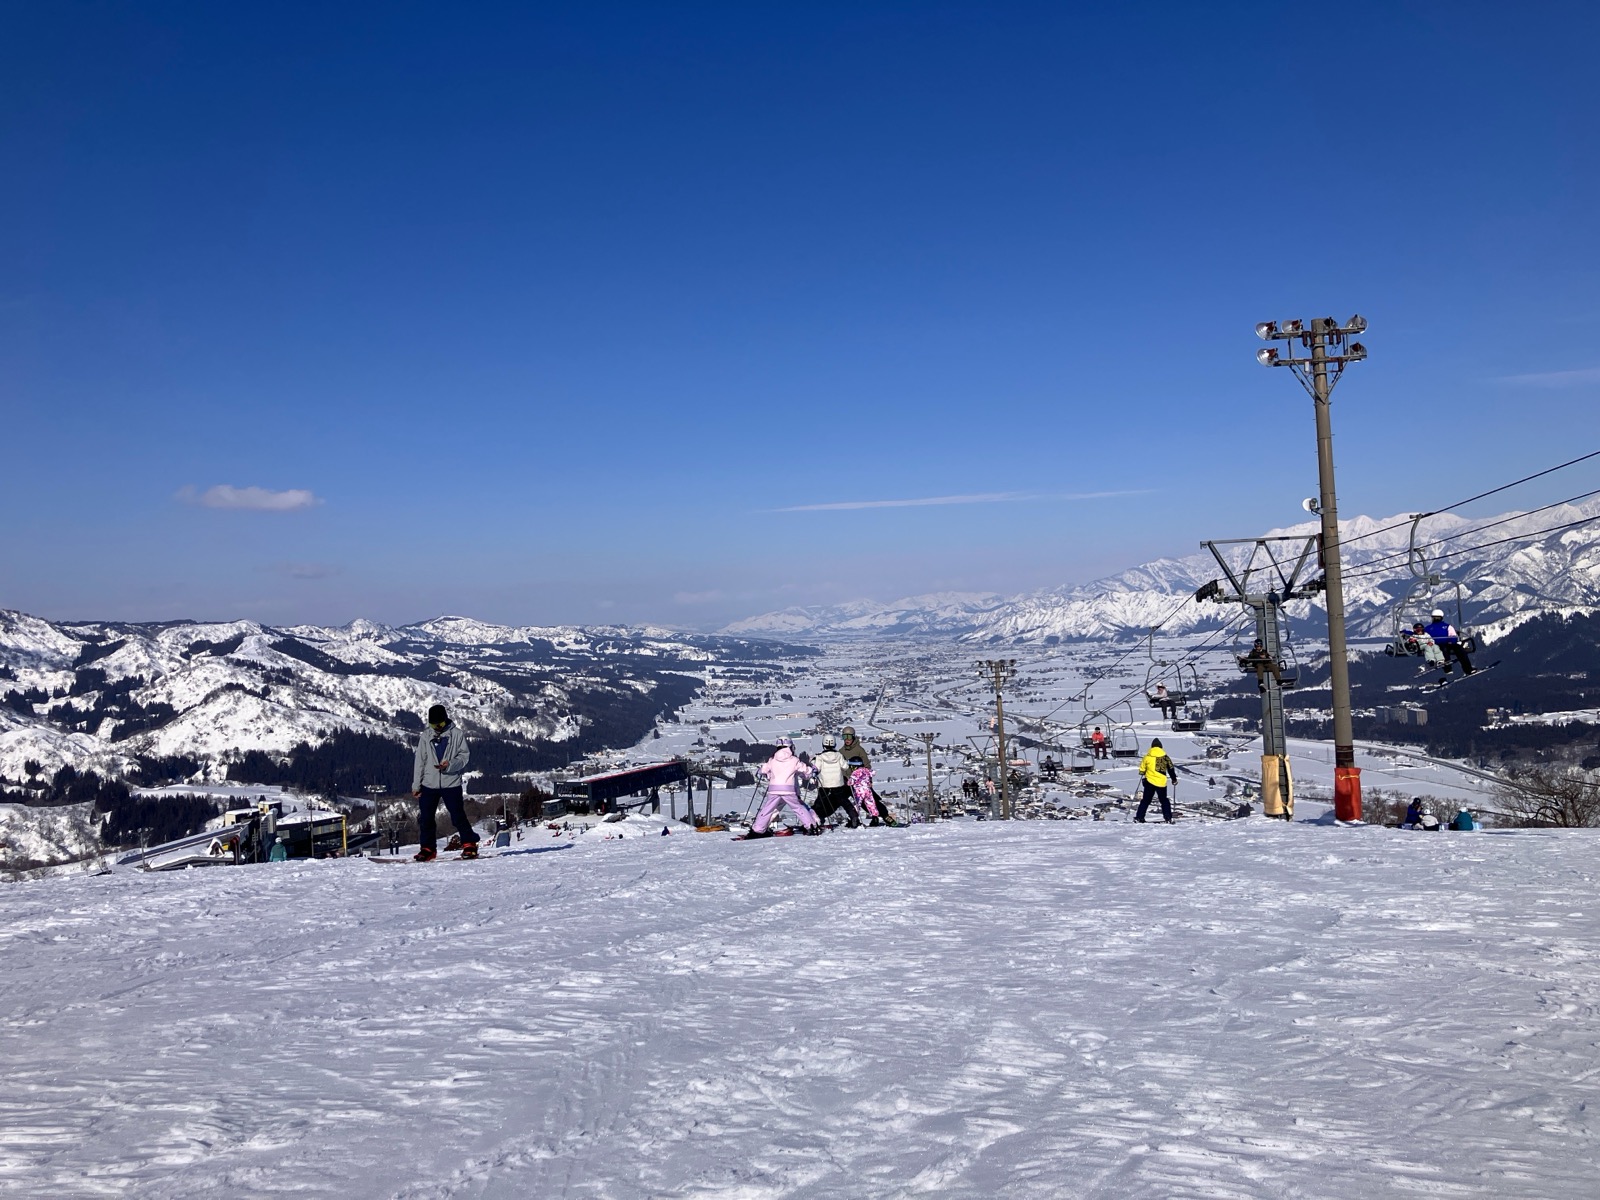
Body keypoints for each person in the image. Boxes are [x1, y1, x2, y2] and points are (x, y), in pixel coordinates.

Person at [412, 703, 477, 861]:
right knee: (426, 818)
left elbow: (464, 757)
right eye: (433, 725)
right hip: (429, 784)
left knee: (457, 816)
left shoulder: (456, 734)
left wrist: (450, 765)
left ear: (445, 720)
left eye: (440, 724)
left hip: (451, 783)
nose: (437, 728)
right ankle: (428, 849)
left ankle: (469, 844)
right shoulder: (426, 736)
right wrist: (416, 784)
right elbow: (419, 761)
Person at [748, 738, 820, 837]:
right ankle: (811, 827)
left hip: (774, 789)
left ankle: (758, 830)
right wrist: (813, 770)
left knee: (767, 809)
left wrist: (760, 771)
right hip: (788, 789)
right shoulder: (794, 760)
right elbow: (805, 770)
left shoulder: (772, 760)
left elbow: (764, 770)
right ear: (791, 747)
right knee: (798, 808)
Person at [811, 734, 861, 827]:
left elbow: (816, 768)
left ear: (823, 744)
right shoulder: (839, 755)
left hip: (824, 784)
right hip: (838, 783)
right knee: (844, 801)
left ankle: (815, 818)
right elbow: (845, 767)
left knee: (819, 802)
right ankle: (854, 816)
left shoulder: (820, 757)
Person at [1135, 737, 1177, 824]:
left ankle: (1139, 817)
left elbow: (1142, 769)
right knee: (1164, 800)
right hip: (1161, 782)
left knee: (1146, 800)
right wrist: (1174, 779)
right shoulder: (1166, 757)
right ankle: (1168, 818)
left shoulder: (1147, 757)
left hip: (1149, 781)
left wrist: (1143, 772)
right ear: (1161, 747)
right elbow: (1171, 769)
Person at [1424, 609, 1475, 675]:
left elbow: (1424, 637)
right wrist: (1452, 641)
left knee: (1458, 648)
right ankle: (1466, 669)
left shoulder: (1428, 628)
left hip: (1442, 644)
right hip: (1441, 645)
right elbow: (1453, 636)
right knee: (1454, 649)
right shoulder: (1447, 626)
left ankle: (1451, 668)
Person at [849, 756, 894, 825]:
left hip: (859, 791)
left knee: (858, 804)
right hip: (868, 790)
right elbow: (872, 773)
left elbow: (851, 782)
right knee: (872, 804)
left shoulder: (855, 773)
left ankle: (854, 819)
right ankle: (878, 817)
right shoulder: (866, 770)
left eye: (851, 766)